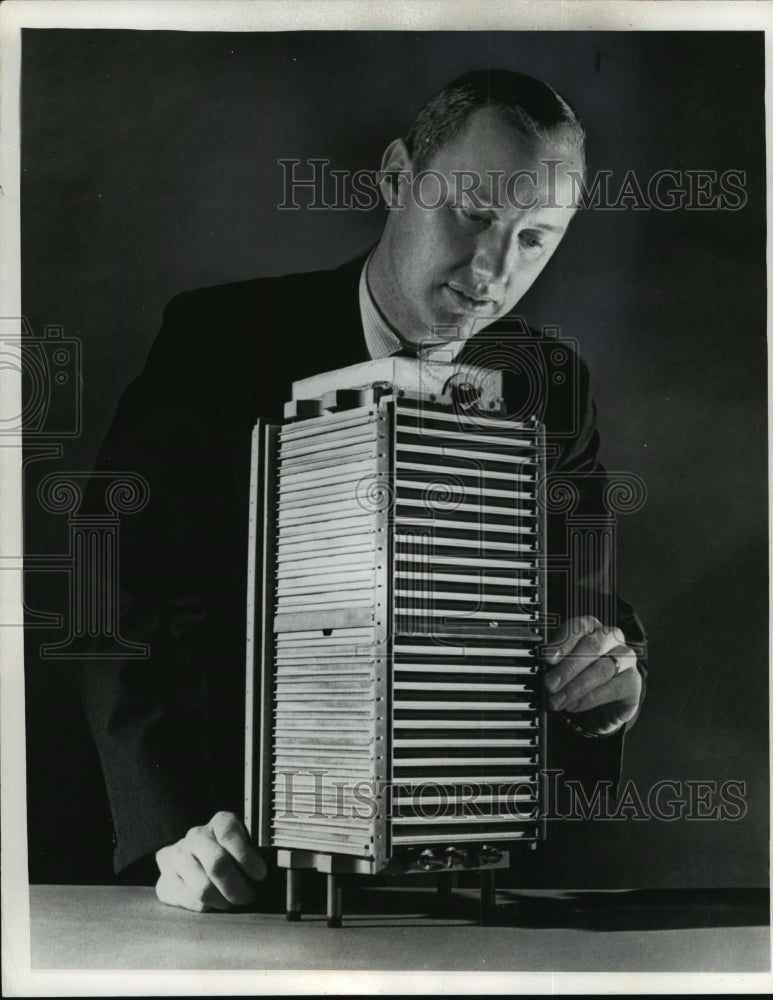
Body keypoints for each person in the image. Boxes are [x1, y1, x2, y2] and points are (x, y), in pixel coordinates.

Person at [80, 69, 647, 913]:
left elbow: (580, 603)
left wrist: (605, 687)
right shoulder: (220, 342)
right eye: (474, 214)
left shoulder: (552, 385)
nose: (492, 270)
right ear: (395, 177)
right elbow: (119, 590)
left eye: (533, 238)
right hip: (242, 859)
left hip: (458, 875)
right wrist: (179, 829)